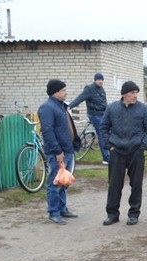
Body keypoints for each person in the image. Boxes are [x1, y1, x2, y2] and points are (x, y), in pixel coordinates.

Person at [100, 81, 147, 226]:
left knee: (136, 184)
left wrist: (142, 146)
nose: (135, 95)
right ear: (124, 94)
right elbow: (104, 127)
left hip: (135, 151)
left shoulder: (143, 109)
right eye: (132, 92)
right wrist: (109, 145)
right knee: (114, 184)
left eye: (136, 92)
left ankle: (133, 213)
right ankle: (112, 214)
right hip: (117, 151)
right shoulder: (112, 108)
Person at [38, 78, 80, 225]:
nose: (65, 92)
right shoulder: (47, 108)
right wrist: (57, 151)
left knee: (63, 181)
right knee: (55, 182)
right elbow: (48, 131)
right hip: (57, 152)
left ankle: (62, 209)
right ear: (55, 92)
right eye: (63, 90)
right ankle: (53, 212)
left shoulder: (61, 106)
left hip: (67, 150)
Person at [68, 72, 109, 164]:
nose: (100, 81)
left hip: (103, 114)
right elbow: (80, 98)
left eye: (102, 80)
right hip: (94, 114)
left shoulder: (101, 89)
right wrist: (69, 107)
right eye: (98, 79)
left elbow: (104, 102)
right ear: (95, 80)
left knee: (107, 132)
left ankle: (109, 154)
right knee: (102, 134)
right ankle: (106, 158)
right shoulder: (89, 89)